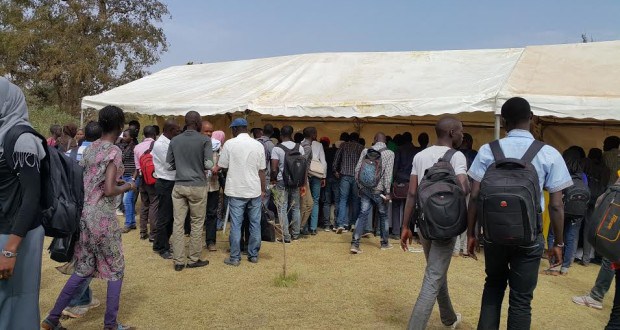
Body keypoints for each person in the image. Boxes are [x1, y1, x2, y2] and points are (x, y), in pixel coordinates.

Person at [466, 97, 572, 329]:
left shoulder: (487, 150)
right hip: (529, 237)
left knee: (493, 287)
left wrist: (471, 233)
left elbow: (474, 196)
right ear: (532, 118)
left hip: (493, 235)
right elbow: (556, 205)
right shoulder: (549, 153)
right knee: (522, 300)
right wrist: (559, 243)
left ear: (503, 121)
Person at [42, 105, 136, 330]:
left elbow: (91, 181)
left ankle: (51, 319)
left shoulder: (91, 148)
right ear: (120, 125)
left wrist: (114, 183)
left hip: (84, 215)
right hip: (102, 217)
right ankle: (110, 325)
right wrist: (129, 185)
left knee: (83, 268)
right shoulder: (113, 151)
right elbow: (110, 189)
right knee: (115, 269)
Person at [400, 117, 469, 329]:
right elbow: (464, 189)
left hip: (424, 224)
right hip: (446, 226)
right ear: (450, 132)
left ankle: (448, 318)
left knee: (436, 271)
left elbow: (412, 193)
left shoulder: (420, 156)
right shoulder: (457, 156)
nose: (462, 134)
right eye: (460, 131)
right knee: (433, 277)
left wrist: (405, 226)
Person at [0, 78, 47, 329]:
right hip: (4, 229)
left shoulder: (21, 139)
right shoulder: (2, 133)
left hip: (16, 235)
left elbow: (31, 197)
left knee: (19, 298)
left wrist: (10, 250)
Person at [60, 120, 103, 319]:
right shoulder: (100, 155)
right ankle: (75, 302)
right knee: (89, 258)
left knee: (82, 255)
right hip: (91, 211)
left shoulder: (71, 153)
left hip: (72, 209)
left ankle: (85, 298)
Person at [214, 118, 266, 266]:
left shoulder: (229, 144)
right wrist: (263, 189)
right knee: (255, 224)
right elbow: (261, 171)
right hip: (254, 190)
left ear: (235, 129)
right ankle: (253, 255)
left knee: (236, 224)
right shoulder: (258, 145)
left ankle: (235, 257)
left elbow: (222, 165)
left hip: (236, 190)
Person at [167, 111, 213, 271]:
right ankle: (194, 259)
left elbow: (168, 166)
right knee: (197, 222)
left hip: (179, 185)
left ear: (186, 122)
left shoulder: (174, 140)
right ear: (199, 123)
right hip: (198, 186)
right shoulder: (205, 140)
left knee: (178, 223)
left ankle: (179, 261)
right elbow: (208, 164)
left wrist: (180, 165)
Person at [544, 147, 587, 275]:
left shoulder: (562, 171)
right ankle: (565, 267)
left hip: (563, 208)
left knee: (553, 234)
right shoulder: (583, 175)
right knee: (571, 237)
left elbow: (553, 189)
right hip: (579, 211)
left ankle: (554, 265)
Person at [350, 132, 395, 253]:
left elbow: (357, 170)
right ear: (385, 141)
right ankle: (384, 243)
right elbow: (388, 174)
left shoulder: (366, 151)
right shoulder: (390, 153)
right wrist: (388, 192)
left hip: (365, 189)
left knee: (363, 214)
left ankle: (355, 244)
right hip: (379, 190)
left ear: (374, 140)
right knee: (383, 215)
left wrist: (360, 186)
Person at [151, 120, 181, 260]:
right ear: (169, 130)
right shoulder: (161, 145)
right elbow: (170, 164)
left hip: (171, 182)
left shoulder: (169, 142)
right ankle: (163, 247)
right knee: (165, 217)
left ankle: (160, 243)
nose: (178, 132)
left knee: (170, 216)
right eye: (177, 130)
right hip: (165, 183)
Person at [271, 125, 304, 243]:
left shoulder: (277, 148)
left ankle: (285, 235)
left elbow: (274, 168)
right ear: (292, 134)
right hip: (296, 181)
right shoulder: (299, 147)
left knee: (282, 208)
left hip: (281, 181)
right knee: (296, 207)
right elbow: (303, 166)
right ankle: (296, 234)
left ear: (281, 134)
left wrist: (273, 179)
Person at [580, 148, 610, 266]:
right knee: (589, 228)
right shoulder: (606, 169)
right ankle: (586, 259)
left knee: (575, 226)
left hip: (582, 197)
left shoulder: (585, 163)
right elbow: (604, 185)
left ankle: (570, 255)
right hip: (597, 200)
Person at [333, 132, 364, 233]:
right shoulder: (361, 148)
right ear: (358, 139)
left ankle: (340, 224)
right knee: (355, 201)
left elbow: (336, 159)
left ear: (349, 139)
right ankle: (353, 224)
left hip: (344, 176)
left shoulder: (343, 145)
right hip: (356, 177)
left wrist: (335, 171)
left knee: (343, 200)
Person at [454, 132, 478, 257]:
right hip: (471, 188)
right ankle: (464, 248)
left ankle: (456, 248)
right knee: (468, 219)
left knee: (456, 217)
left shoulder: (455, 154)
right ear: (469, 143)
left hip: (456, 188)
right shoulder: (475, 154)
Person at [133, 125, 159, 241]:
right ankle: (153, 234)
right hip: (154, 178)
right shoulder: (158, 145)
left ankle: (143, 232)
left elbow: (137, 166)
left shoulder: (137, 147)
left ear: (143, 135)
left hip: (142, 178)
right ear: (155, 135)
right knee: (154, 204)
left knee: (144, 204)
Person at [393, 132, 417, 239]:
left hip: (399, 180)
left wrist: (392, 181)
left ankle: (395, 232)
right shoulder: (416, 150)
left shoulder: (399, 149)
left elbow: (395, 166)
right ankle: (408, 229)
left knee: (396, 206)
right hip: (411, 181)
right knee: (409, 207)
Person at [302, 127, 326, 235]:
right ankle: (313, 227)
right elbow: (323, 162)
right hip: (316, 175)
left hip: (305, 176)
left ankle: (304, 226)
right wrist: (323, 176)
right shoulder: (319, 145)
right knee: (315, 200)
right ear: (314, 135)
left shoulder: (300, 144)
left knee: (304, 201)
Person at [202, 121, 219, 252]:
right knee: (197, 214)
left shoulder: (218, 146)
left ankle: (210, 241)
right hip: (199, 184)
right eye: (206, 131)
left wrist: (218, 168)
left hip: (213, 184)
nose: (208, 133)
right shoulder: (196, 145)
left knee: (212, 214)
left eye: (210, 131)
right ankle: (195, 240)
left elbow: (223, 160)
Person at [118, 128, 139, 233]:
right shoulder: (123, 147)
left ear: (132, 137)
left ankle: (127, 224)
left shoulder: (135, 148)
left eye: (125, 136)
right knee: (129, 200)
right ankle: (132, 223)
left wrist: (133, 179)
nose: (123, 137)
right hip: (125, 177)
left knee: (126, 200)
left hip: (131, 177)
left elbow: (137, 166)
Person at [321, 137, 340, 231]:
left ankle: (326, 225)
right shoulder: (337, 151)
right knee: (337, 201)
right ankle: (336, 224)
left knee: (326, 202)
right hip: (336, 178)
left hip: (326, 178)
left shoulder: (324, 151)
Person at [256, 124, 276, 206]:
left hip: (253, 174)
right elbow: (273, 163)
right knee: (265, 198)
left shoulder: (255, 141)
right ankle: (262, 217)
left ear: (262, 131)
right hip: (266, 175)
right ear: (272, 133)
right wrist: (273, 178)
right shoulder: (271, 145)